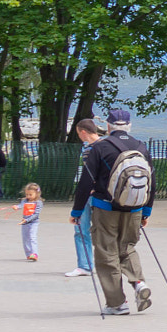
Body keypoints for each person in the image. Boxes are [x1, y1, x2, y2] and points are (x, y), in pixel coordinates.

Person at [72, 108, 154, 315]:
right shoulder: (141, 147)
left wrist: (77, 211)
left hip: (105, 208)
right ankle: (139, 284)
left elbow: (85, 182)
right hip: (134, 208)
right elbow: (152, 182)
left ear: (108, 126)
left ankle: (117, 303)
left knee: (106, 252)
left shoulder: (101, 147)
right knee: (127, 248)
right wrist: (146, 211)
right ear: (129, 126)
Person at [64, 119, 101, 278]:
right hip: (103, 195)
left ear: (83, 132)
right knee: (103, 231)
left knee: (81, 230)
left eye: (78, 133)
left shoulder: (89, 150)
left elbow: (87, 177)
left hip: (90, 195)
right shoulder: (107, 146)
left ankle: (85, 265)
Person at [18, 183, 43, 262]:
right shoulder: (25, 200)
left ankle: (34, 253)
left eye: (30, 194)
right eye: (27, 194)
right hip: (24, 222)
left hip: (34, 222)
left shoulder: (38, 203)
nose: (28, 196)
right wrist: (16, 207)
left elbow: (36, 214)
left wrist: (27, 220)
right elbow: (21, 205)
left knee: (32, 237)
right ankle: (28, 254)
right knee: (25, 239)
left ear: (37, 193)